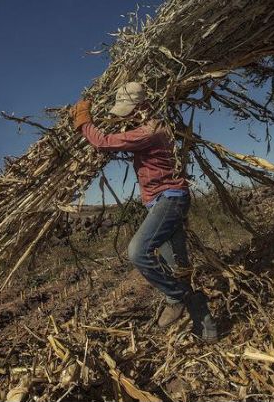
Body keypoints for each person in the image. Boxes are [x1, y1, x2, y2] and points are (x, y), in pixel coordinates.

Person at [70, 82, 217, 343]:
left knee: (137, 251)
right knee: (179, 270)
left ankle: (174, 298)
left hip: (168, 200)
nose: (125, 116)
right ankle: (207, 332)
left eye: (128, 110)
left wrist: (84, 121)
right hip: (167, 201)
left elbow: (102, 142)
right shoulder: (155, 127)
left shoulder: (150, 131)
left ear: (142, 107)